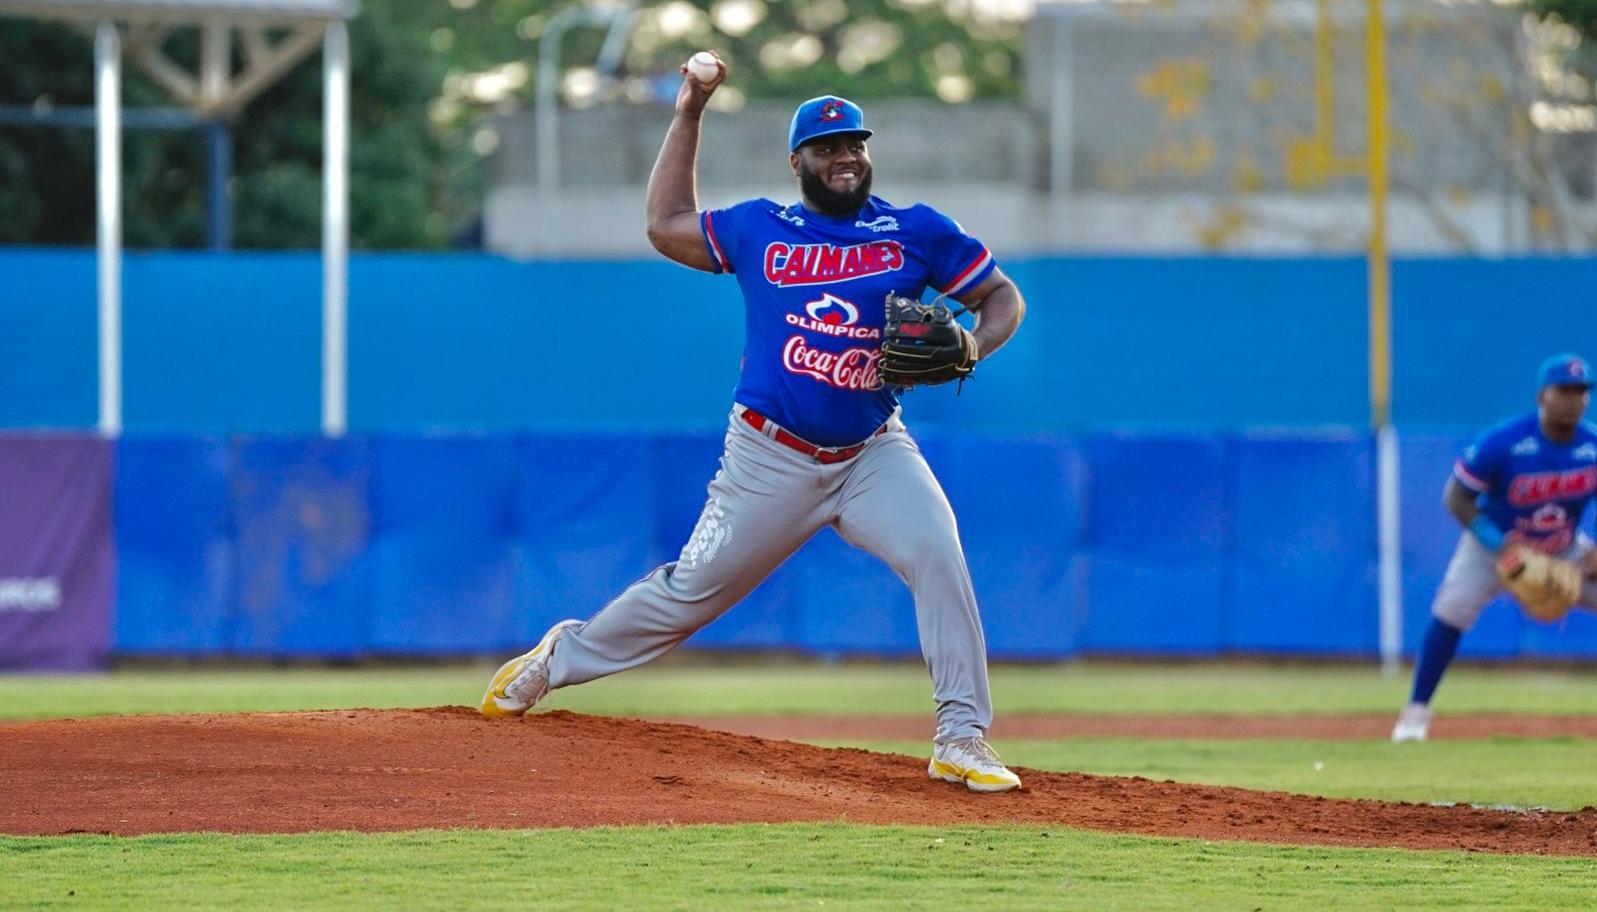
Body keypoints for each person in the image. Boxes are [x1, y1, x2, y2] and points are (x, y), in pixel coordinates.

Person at [480, 57, 1028, 792]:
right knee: (689, 592)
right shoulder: (760, 228)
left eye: (854, 144)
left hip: (872, 452)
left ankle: (961, 735)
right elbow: (664, 225)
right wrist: (689, 111)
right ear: (797, 162)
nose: (844, 156)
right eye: (826, 148)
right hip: (770, 456)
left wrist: (973, 345)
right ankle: (559, 659)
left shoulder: (916, 230)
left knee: (937, 549)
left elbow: (1001, 297)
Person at [1392, 354, 1597, 742]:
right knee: (1452, 609)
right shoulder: (1504, 442)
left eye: (1581, 391)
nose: (1575, 399)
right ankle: (1416, 712)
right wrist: (1499, 546)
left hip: (1562, 548)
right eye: (1565, 390)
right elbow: (1457, 498)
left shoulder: (1593, 446)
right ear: (1542, 395)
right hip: (1494, 547)